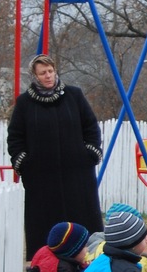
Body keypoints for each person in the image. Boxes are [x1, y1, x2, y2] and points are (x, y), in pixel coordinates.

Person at [7, 54, 104, 259]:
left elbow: (91, 128)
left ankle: (89, 258)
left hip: (77, 174)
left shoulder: (74, 96)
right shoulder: (25, 103)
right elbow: (15, 137)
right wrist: (25, 163)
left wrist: (89, 154)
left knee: (82, 220)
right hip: (41, 177)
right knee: (45, 225)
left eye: (50, 71)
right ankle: (46, 266)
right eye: (43, 73)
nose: (48, 76)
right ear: (35, 75)